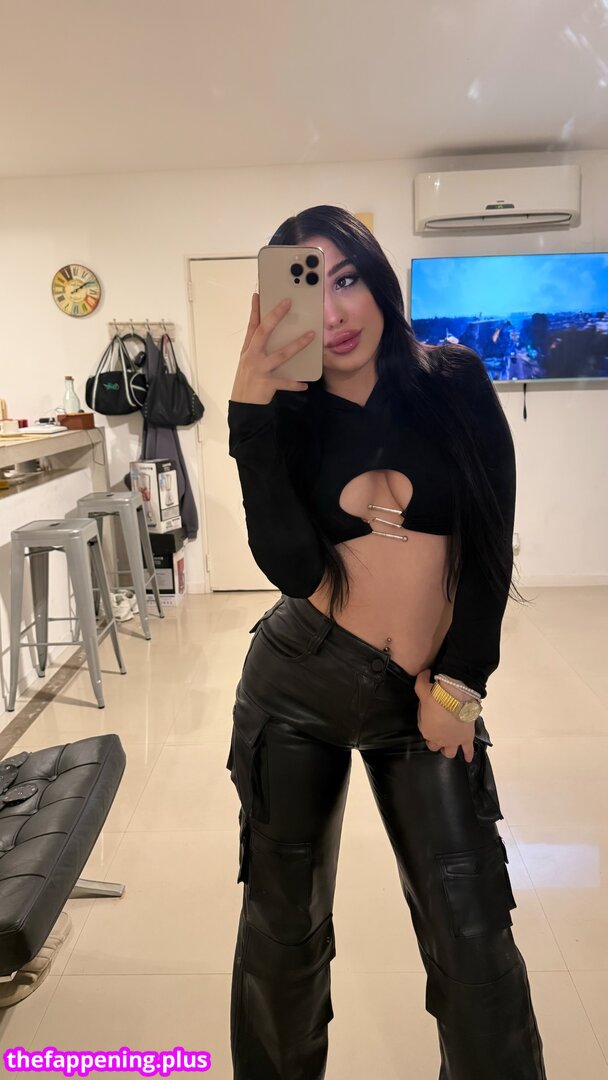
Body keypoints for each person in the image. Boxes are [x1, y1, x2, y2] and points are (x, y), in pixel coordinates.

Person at [226, 205, 546, 1080]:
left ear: (376, 278)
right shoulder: (290, 414)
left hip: (424, 697)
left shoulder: (453, 381)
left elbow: (490, 546)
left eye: (346, 279)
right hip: (297, 684)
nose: (332, 313)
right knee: (284, 935)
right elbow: (292, 568)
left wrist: (460, 685)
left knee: (474, 942)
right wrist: (251, 413)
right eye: (307, 289)